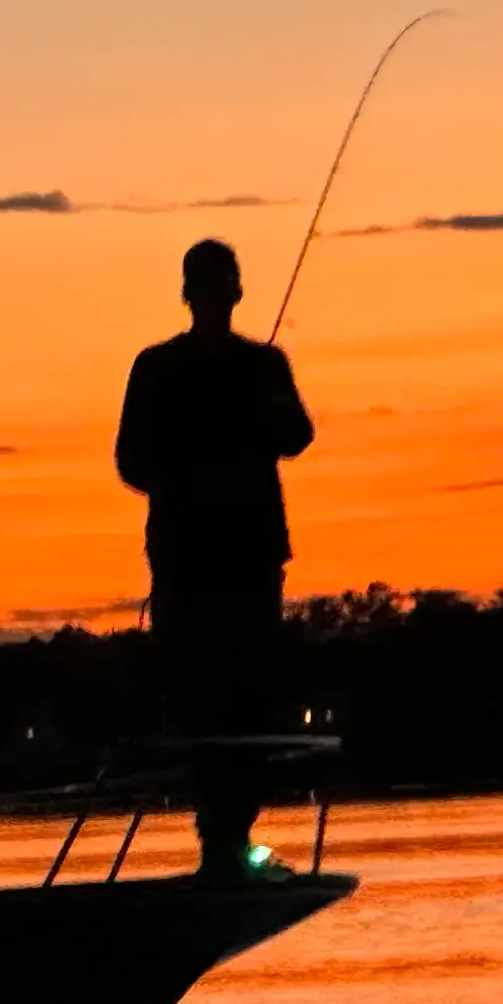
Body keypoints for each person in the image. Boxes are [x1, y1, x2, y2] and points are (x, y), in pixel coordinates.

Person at [113, 237, 314, 880]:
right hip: (189, 560)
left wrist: (260, 412)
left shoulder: (263, 365)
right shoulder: (156, 368)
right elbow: (131, 462)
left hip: (249, 558)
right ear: (194, 292)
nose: (217, 295)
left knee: (247, 696)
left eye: (222, 282)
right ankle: (218, 841)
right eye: (210, 283)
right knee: (202, 696)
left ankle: (232, 836)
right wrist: (191, 468)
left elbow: (298, 437)